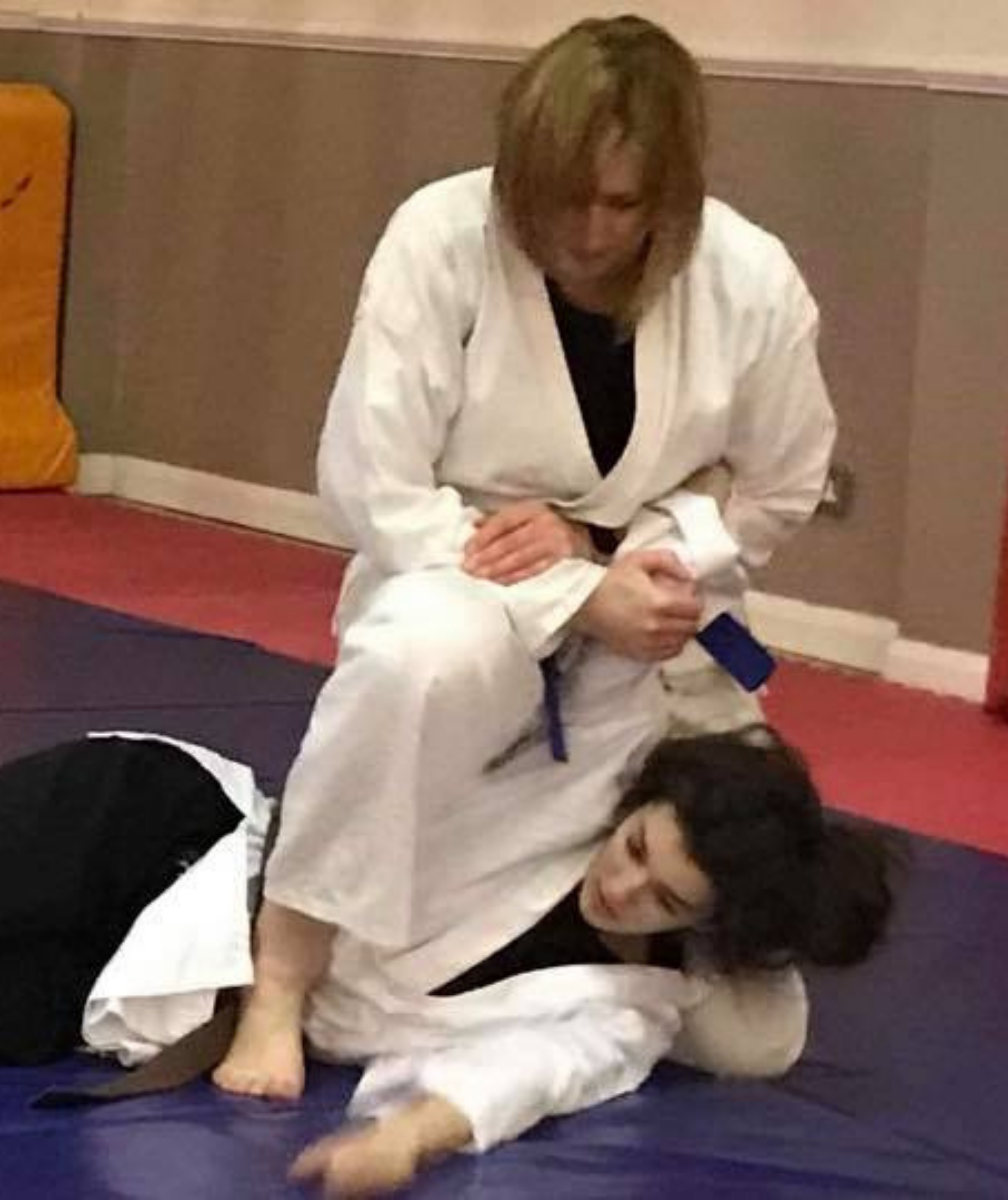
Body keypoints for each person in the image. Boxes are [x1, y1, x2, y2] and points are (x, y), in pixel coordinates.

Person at [214, 13, 837, 1100]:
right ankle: (283, 974)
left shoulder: (750, 279)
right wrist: (575, 590)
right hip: (467, 588)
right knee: (412, 662)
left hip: (667, 624)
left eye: (624, 203)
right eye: (561, 195)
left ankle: (584, 975)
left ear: (675, 193)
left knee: (755, 1033)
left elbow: (783, 486)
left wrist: (625, 549)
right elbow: (376, 485)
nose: (589, 232)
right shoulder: (441, 236)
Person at [0, 727, 899, 1200]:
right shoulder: (537, 803)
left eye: (665, 901)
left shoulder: (630, 1010)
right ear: (632, 809)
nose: (623, 890)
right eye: (636, 851)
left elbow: (527, 1081)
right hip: (160, 828)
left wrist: (406, 1139)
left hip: (149, 996)